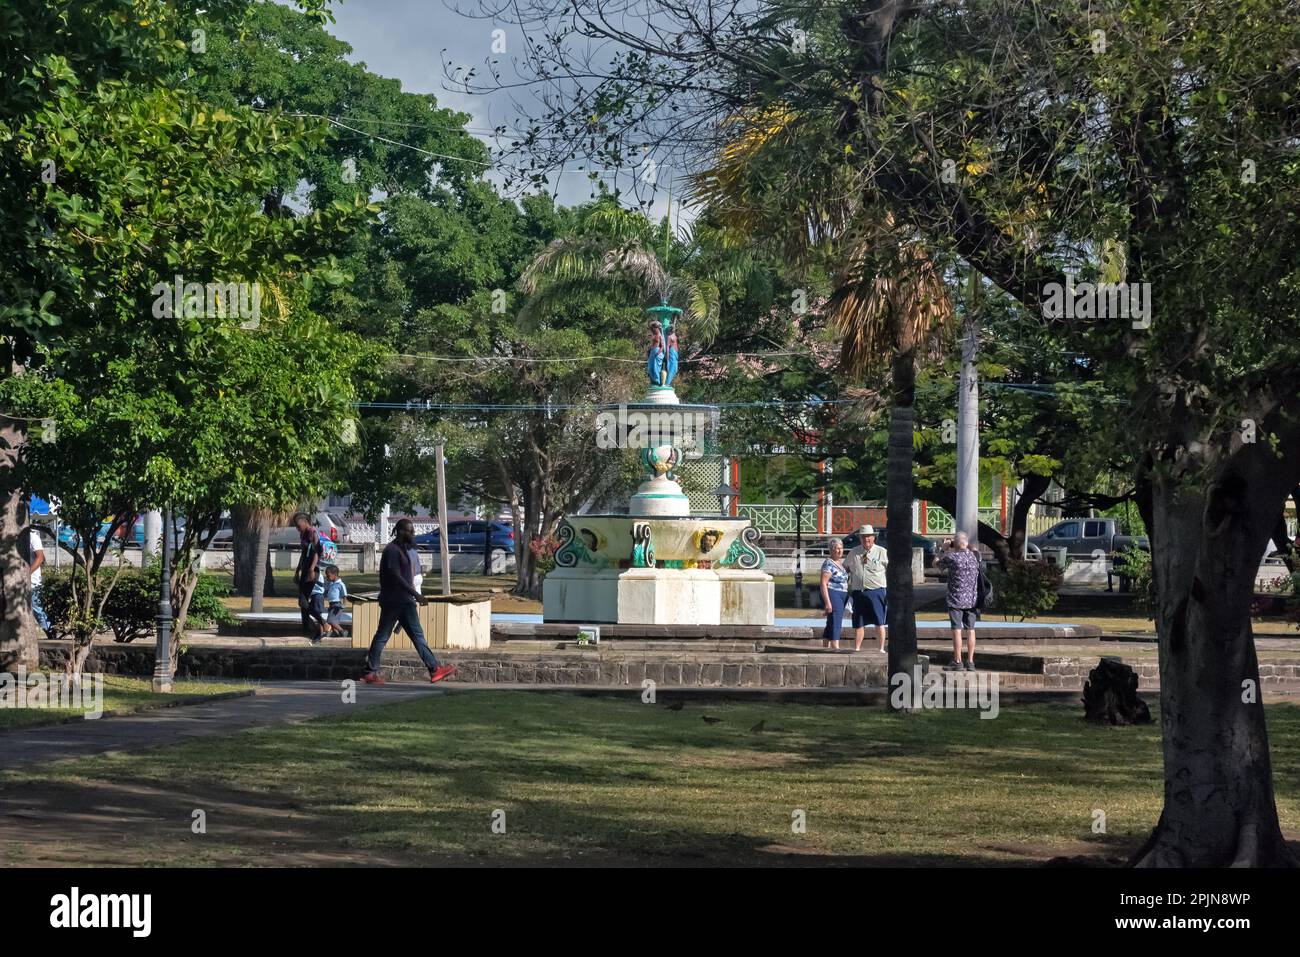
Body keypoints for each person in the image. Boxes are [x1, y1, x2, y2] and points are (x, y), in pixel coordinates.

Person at [361, 518, 456, 685]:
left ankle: (371, 672)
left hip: (400, 600)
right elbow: (396, 577)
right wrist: (416, 595)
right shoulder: (392, 550)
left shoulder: (403, 549)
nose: (412, 534)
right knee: (408, 636)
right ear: (400, 531)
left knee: (387, 635)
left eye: (412, 531)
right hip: (398, 600)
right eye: (409, 531)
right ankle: (434, 670)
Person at [937, 531, 981, 671]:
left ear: (955, 544)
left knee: (957, 630)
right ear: (966, 543)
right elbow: (974, 551)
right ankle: (971, 661)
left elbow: (936, 564)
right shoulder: (975, 557)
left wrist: (943, 549)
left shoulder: (952, 557)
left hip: (955, 599)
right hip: (972, 600)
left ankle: (957, 661)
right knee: (971, 630)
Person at [846, 525, 888, 652]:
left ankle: (881, 648)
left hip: (877, 591)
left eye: (868, 536)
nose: (866, 539)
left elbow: (891, 569)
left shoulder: (882, 551)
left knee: (879, 622)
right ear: (860, 538)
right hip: (859, 592)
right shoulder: (854, 552)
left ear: (874, 537)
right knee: (858, 623)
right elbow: (845, 569)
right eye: (863, 537)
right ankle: (857, 648)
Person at [292, 512, 327, 643]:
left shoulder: (313, 532)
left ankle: (322, 623)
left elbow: (317, 552)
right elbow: (303, 553)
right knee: (303, 603)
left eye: (298, 525)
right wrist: (297, 571)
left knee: (302, 601)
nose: (297, 528)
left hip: (312, 570)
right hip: (305, 570)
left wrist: (312, 569)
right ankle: (309, 629)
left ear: (305, 521)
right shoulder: (303, 534)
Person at [819, 539, 850, 650]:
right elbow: (823, 583)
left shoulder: (841, 564)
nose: (839, 551)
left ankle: (825, 646)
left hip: (842, 595)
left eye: (841, 548)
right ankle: (835, 647)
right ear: (831, 550)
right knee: (836, 621)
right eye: (836, 548)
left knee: (831, 621)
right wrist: (827, 603)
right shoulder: (828, 563)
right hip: (833, 594)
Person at [28, 525, 49, 632]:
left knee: (37, 608)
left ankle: (49, 631)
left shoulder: (32, 537)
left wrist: (27, 573)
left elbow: (40, 557)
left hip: (32, 580)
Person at [322, 565, 348, 637]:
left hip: (337, 605)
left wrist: (344, 605)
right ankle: (337, 634)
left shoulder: (340, 584)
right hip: (331, 604)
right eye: (326, 576)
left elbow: (344, 595)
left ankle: (342, 631)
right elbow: (326, 592)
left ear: (335, 574)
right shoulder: (330, 584)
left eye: (329, 576)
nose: (327, 577)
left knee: (330, 620)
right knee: (333, 621)